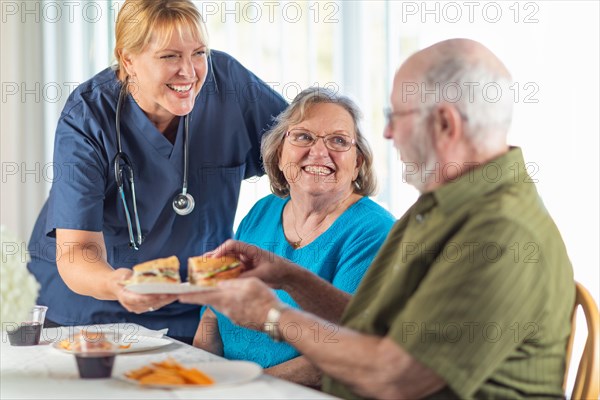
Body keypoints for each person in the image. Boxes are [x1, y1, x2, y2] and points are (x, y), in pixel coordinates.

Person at [179, 38, 575, 398]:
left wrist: (272, 316)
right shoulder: (443, 206)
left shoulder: (499, 233)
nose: (386, 133)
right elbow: (369, 325)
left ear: (444, 124)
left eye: (397, 115)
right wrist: (288, 276)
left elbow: (395, 377)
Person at [26, 0, 287, 344]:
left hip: (194, 306)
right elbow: (78, 251)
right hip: (91, 308)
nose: (190, 72)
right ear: (128, 59)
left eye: (198, 53)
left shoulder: (229, 86)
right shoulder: (88, 115)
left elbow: (300, 149)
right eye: (169, 56)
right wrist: (116, 284)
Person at [194, 87, 395, 386]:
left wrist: (240, 390)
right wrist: (197, 377)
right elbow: (213, 312)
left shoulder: (374, 231)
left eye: (338, 141)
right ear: (278, 153)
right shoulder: (262, 211)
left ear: (358, 164)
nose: (318, 152)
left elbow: (340, 355)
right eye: (303, 136)